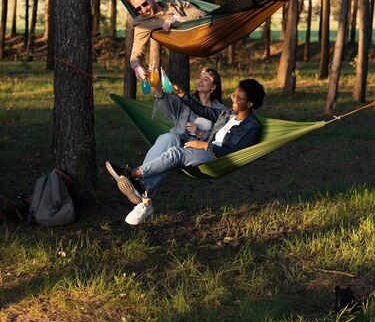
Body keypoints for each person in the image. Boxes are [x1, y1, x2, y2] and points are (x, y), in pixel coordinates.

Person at [105, 78, 265, 225]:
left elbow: (236, 154)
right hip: (203, 148)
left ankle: (132, 174)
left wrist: (204, 145)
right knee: (169, 138)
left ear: (250, 103)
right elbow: (203, 111)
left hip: (216, 157)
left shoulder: (252, 128)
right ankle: (143, 192)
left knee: (176, 154)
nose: (233, 100)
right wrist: (181, 94)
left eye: (238, 98)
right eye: (233, 95)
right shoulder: (229, 113)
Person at [128, 0, 290, 80]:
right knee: (224, 10)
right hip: (195, 41)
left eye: (144, 4)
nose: (143, 10)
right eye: (137, 9)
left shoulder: (174, 2)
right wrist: (137, 67)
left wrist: (175, 20)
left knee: (226, 10)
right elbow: (136, 53)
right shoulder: (142, 23)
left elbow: (199, 14)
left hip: (207, 26)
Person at [142, 67, 225, 162]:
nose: (200, 81)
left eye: (205, 79)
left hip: (199, 150)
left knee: (170, 158)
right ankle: (137, 174)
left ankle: (136, 174)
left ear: (213, 87)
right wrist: (155, 83)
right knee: (168, 137)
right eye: (199, 77)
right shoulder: (186, 101)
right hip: (179, 142)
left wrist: (200, 132)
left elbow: (219, 139)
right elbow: (163, 98)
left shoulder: (220, 110)